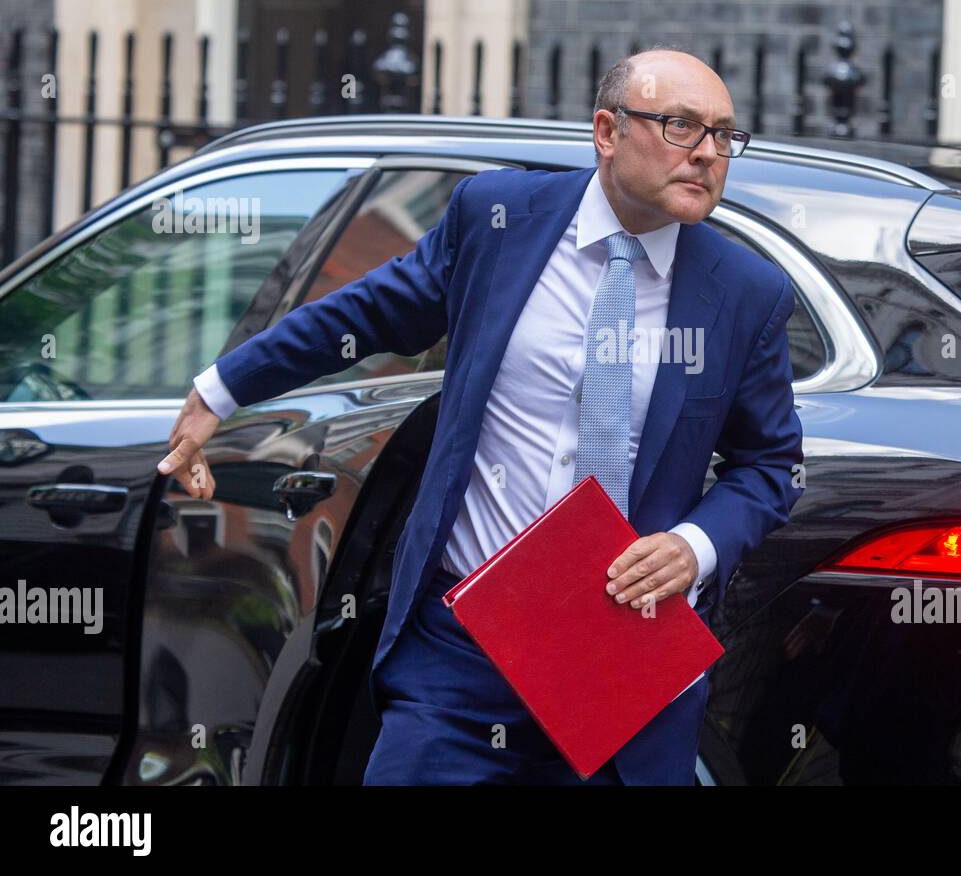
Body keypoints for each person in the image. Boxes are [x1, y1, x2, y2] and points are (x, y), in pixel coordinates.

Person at [157, 47, 804, 785]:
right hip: (463, 646)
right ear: (606, 131)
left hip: (619, 658)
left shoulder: (746, 293)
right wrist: (220, 390)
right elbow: (367, 312)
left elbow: (771, 466)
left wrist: (695, 545)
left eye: (725, 135)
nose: (709, 154)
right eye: (682, 126)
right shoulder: (500, 221)